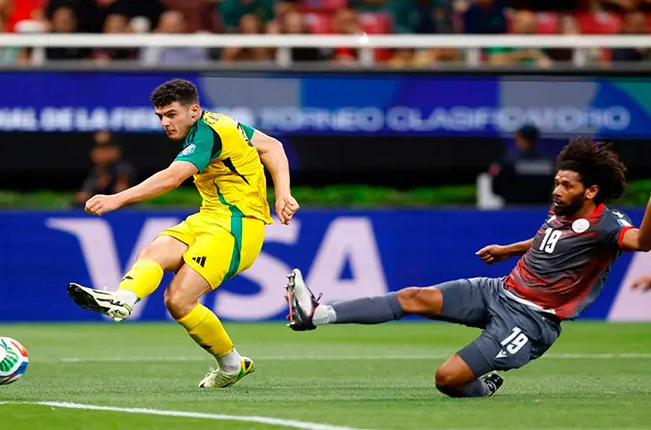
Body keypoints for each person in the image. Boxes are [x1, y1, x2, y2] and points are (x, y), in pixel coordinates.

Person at [285, 137, 651, 398]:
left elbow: (642, 242)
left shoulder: (609, 225)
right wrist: (509, 250)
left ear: (591, 191)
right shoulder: (563, 211)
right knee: (413, 296)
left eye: (566, 185)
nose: (557, 190)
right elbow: (552, 238)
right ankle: (317, 315)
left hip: (531, 321)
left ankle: (483, 388)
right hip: (498, 290)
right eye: (556, 182)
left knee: (447, 379)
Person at [67, 79, 299, 388]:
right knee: (154, 251)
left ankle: (231, 364)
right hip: (208, 218)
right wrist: (282, 194)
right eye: (160, 116)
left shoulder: (208, 133)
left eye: (171, 114)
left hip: (238, 226)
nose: (165, 122)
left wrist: (117, 198)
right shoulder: (219, 123)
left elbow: (172, 178)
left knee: (178, 300)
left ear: (194, 110)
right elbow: (272, 146)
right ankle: (122, 299)